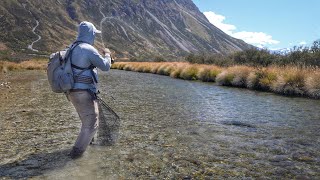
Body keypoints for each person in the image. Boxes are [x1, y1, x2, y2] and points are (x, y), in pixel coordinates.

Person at [67, 21, 113, 158]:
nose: (95, 36)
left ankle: (87, 148)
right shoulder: (88, 49)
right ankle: (75, 157)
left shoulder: (72, 47)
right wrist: (108, 54)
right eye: (94, 34)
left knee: (87, 122)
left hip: (72, 92)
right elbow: (106, 66)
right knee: (91, 124)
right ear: (91, 34)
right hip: (83, 93)